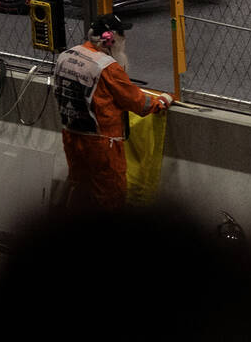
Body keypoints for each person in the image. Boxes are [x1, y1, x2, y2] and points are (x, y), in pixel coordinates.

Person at [52, 13, 171, 211]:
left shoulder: (66, 56)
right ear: (110, 39)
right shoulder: (108, 67)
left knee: (80, 191)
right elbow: (138, 103)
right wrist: (162, 101)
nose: (124, 41)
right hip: (102, 145)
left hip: (71, 138)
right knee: (110, 198)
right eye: (122, 35)